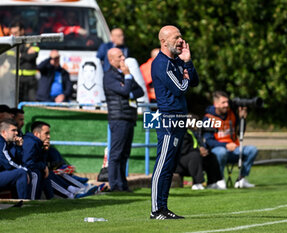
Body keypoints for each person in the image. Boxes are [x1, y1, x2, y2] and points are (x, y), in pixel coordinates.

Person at [150, 25, 199, 220]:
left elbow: (193, 82)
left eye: (181, 37)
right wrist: (185, 74)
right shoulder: (161, 63)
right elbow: (180, 88)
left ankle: (164, 207)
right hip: (168, 120)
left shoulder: (178, 61)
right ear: (164, 42)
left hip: (179, 120)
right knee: (162, 164)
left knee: (170, 166)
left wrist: (188, 63)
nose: (181, 41)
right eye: (176, 37)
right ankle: (156, 210)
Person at [103, 48, 144, 192]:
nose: (123, 58)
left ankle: (122, 184)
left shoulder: (124, 74)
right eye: (119, 56)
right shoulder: (109, 76)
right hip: (118, 117)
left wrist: (128, 89)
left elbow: (139, 91)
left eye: (123, 55)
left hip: (128, 117)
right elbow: (125, 91)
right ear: (111, 59)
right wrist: (127, 79)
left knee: (125, 153)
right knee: (116, 153)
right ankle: (114, 185)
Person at [203, 91, 258, 188]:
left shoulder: (231, 114)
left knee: (252, 150)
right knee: (221, 152)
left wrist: (242, 119)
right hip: (218, 151)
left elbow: (239, 133)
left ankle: (241, 179)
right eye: (223, 103)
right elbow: (208, 141)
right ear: (215, 104)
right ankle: (219, 180)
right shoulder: (208, 118)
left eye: (227, 102)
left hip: (234, 149)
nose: (226, 105)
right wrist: (225, 145)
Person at [9, 20, 39, 102]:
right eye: (12, 33)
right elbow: (9, 57)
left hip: (30, 79)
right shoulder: (10, 42)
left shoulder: (31, 41)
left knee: (32, 102)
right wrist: (25, 53)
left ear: (22, 31)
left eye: (16, 33)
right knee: (15, 101)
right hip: (15, 79)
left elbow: (33, 56)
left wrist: (20, 55)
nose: (14, 35)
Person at [0, 119, 30, 199]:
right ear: (3, 132)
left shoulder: (6, 143)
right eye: (13, 130)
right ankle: (23, 202)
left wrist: (19, 147)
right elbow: (8, 163)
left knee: (20, 173)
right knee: (21, 173)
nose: (16, 133)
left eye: (16, 130)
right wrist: (25, 170)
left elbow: (16, 161)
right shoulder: (1, 142)